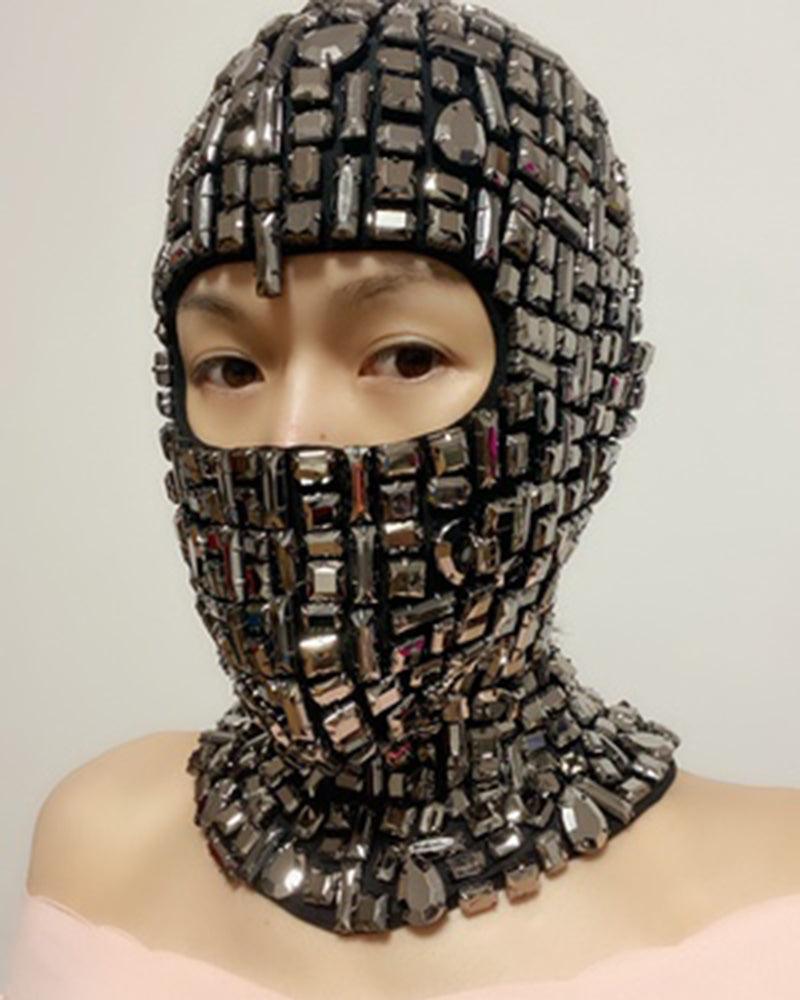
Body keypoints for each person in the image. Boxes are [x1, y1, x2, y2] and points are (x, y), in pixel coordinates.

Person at [5, 0, 800, 997]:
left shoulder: (775, 904)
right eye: (231, 367)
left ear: (578, 393)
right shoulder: (95, 842)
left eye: (406, 356)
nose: (291, 438)